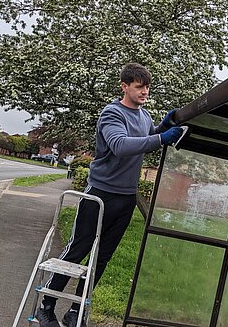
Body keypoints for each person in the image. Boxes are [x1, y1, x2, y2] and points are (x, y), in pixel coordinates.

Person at [35, 63, 183, 327]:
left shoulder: (144, 116)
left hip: (126, 197)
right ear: (124, 86)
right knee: (77, 250)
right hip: (100, 194)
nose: (145, 92)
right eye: (139, 87)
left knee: (102, 257)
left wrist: (161, 128)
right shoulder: (112, 113)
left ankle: (75, 312)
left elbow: (144, 140)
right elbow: (120, 145)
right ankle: (47, 305)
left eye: (147, 87)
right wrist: (162, 139)